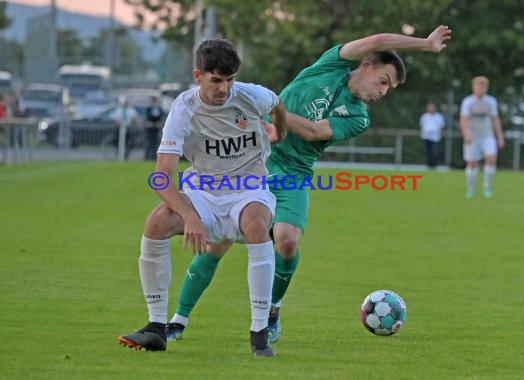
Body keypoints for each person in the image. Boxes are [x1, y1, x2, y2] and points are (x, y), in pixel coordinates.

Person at [165, 25, 452, 344]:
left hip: (293, 173)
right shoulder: (332, 64)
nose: (383, 92)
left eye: (390, 90)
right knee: (216, 243)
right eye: (383, 81)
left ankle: (272, 310)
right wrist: (424, 44)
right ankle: (177, 321)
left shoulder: (359, 117)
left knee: (287, 243)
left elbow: (315, 131)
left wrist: (273, 121)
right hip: (249, 163)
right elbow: (377, 40)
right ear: (366, 66)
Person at [117, 38, 287, 357]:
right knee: (155, 223)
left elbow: (278, 104)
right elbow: (162, 178)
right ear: (198, 75)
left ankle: (259, 334)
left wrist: (280, 132)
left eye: (230, 79)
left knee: (255, 226)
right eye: (216, 80)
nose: (224, 88)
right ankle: (156, 328)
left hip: (248, 189)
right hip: (203, 194)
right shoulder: (183, 107)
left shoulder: (249, 96)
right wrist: (191, 215)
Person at [459, 76, 504, 198]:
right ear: (474, 88)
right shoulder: (468, 102)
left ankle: (487, 186)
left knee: (491, 159)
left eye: (483, 87)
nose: (480, 89)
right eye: (478, 86)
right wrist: (466, 134)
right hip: (473, 136)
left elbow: (495, 120)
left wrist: (500, 137)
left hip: (487, 136)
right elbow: (464, 120)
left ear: (486, 88)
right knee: (472, 163)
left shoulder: (491, 102)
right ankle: (470, 189)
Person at [419, 101, 445, 168]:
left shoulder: (439, 116)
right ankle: (428, 164)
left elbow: (441, 127)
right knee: (428, 151)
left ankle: (433, 165)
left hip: (435, 137)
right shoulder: (424, 116)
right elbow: (422, 125)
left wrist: (441, 135)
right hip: (426, 136)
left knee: (434, 151)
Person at [144, 96, 165, 160]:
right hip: (149, 128)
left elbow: (162, 118)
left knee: (157, 142)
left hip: (157, 129)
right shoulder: (148, 109)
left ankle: (155, 156)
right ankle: (147, 156)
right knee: (149, 142)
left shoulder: (159, 109)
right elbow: (146, 119)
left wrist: (159, 124)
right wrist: (150, 124)